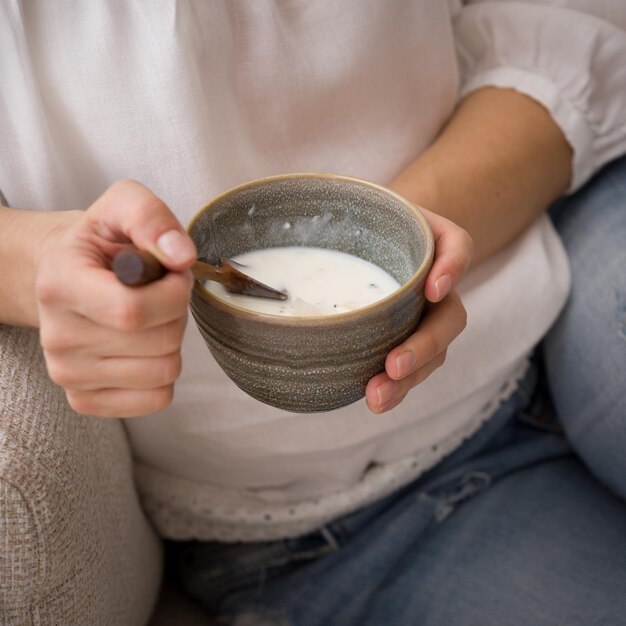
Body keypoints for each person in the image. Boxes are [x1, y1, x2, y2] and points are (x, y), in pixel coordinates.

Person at [1, 2, 625, 624]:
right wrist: (36, 263)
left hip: (554, 299)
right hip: (320, 523)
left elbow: (566, 24)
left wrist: (403, 246)